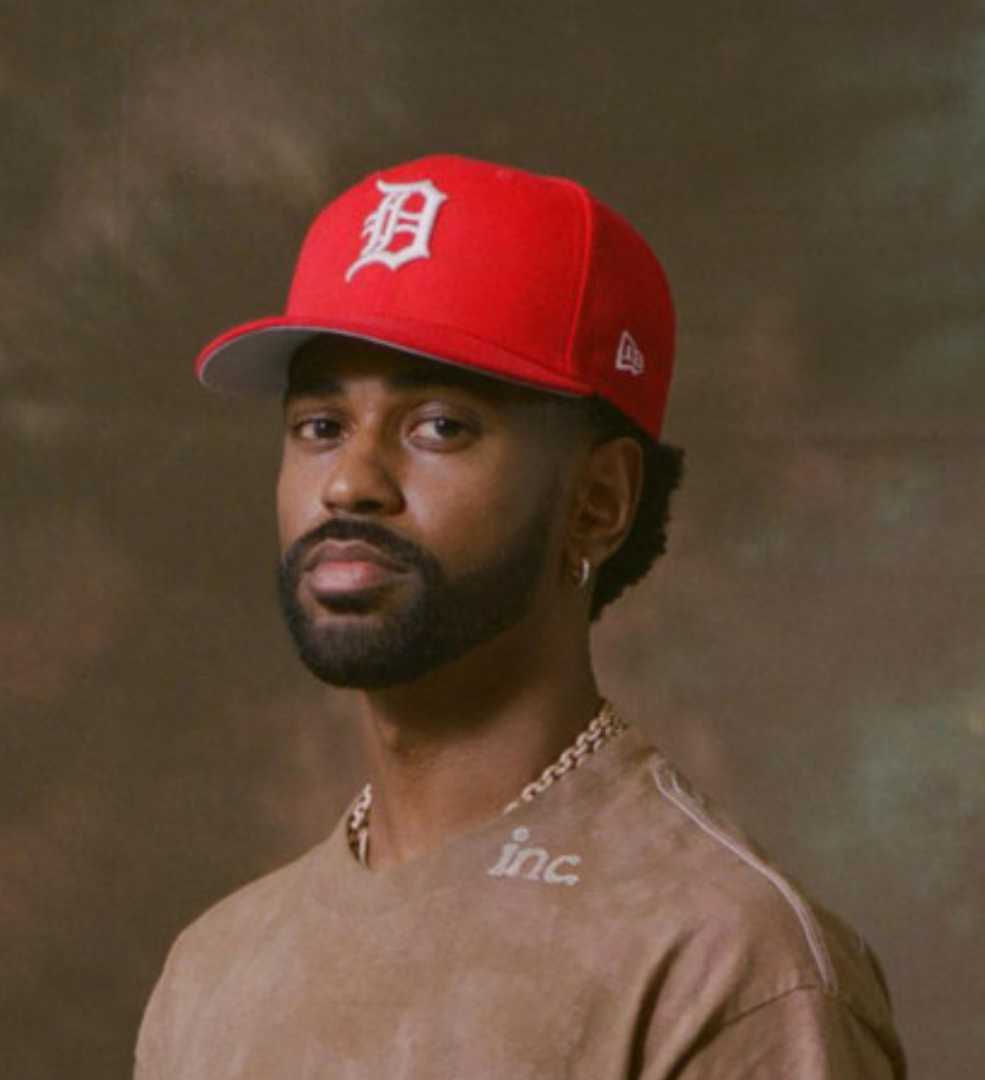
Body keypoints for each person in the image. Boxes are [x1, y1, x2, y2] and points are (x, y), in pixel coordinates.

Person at [135, 155, 905, 1077]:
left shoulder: (723, 960)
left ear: (597, 501)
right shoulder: (214, 967)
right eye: (320, 426)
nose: (349, 482)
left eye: (440, 427)